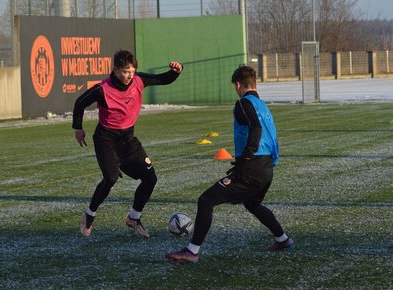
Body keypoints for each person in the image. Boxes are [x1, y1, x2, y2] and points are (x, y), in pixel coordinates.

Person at [165, 65, 293, 263]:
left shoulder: (243, 103)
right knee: (252, 203)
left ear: (239, 85)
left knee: (206, 200)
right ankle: (282, 239)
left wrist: (246, 160)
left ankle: (192, 251)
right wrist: (268, 163)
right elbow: (272, 136)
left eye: (236, 86)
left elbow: (256, 129)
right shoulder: (263, 106)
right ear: (256, 83)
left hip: (252, 167)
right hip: (266, 167)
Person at [73, 50, 183, 238]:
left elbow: (162, 79)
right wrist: (78, 128)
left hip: (128, 140)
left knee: (150, 178)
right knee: (111, 178)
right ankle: (89, 216)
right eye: (125, 71)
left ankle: (134, 218)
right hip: (106, 139)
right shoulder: (102, 89)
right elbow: (80, 102)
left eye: (132, 71)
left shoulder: (138, 80)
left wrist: (175, 72)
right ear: (115, 70)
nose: (129, 75)